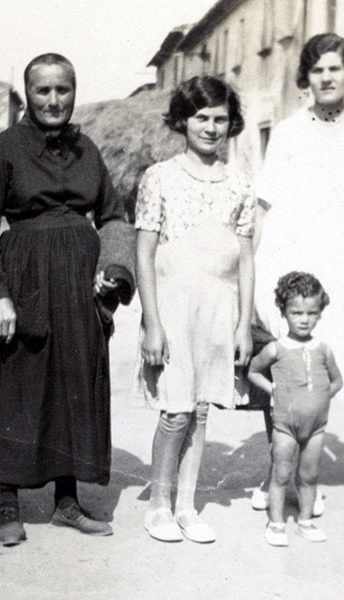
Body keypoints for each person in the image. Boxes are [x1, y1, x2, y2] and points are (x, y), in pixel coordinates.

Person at [0, 53, 123, 545]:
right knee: (15, 383)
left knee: (74, 383)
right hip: (25, 276)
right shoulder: (6, 147)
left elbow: (114, 218)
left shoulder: (89, 150)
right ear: (28, 95)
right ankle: (8, 502)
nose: (53, 101)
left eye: (63, 90)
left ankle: (67, 502)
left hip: (78, 286)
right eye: (42, 91)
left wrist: (113, 271)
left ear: (74, 92)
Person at [250, 32, 344, 512]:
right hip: (284, 259)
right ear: (306, 77)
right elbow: (264, 205)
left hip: (338, 265)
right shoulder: (286, 132)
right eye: (317, 69)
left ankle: (302, 476)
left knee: (319, 369)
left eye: (335, 68)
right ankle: (277, 477)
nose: (326, 77)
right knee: (287, 364)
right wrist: (251, 272)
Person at [135, 76, 254, 543]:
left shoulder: (240, 182)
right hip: (173, 306)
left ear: (231, 124)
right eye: (201, 117)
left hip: (218, 307)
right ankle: (159, 505)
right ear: (182, 121)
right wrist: (151, 323)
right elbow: (144, 253)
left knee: (202, 409)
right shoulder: (160, 177)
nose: (210, 127)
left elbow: (245, 258)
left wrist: (244, 323)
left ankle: (187, 504)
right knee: (175, 411)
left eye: (220, 118)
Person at [247, 272, 343, 546]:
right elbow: (253, 371)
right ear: (283, 311)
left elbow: (338, 381)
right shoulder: (276, 348)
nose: (304, 319)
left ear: (320, 313)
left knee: (310, 475)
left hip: (316, 428)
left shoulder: (323, 350)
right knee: (281, 473)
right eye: (296, 312)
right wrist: (273, 390)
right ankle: (276, 523)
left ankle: (305, 521)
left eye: (312, 313)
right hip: (285, 426)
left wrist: (324, 395)